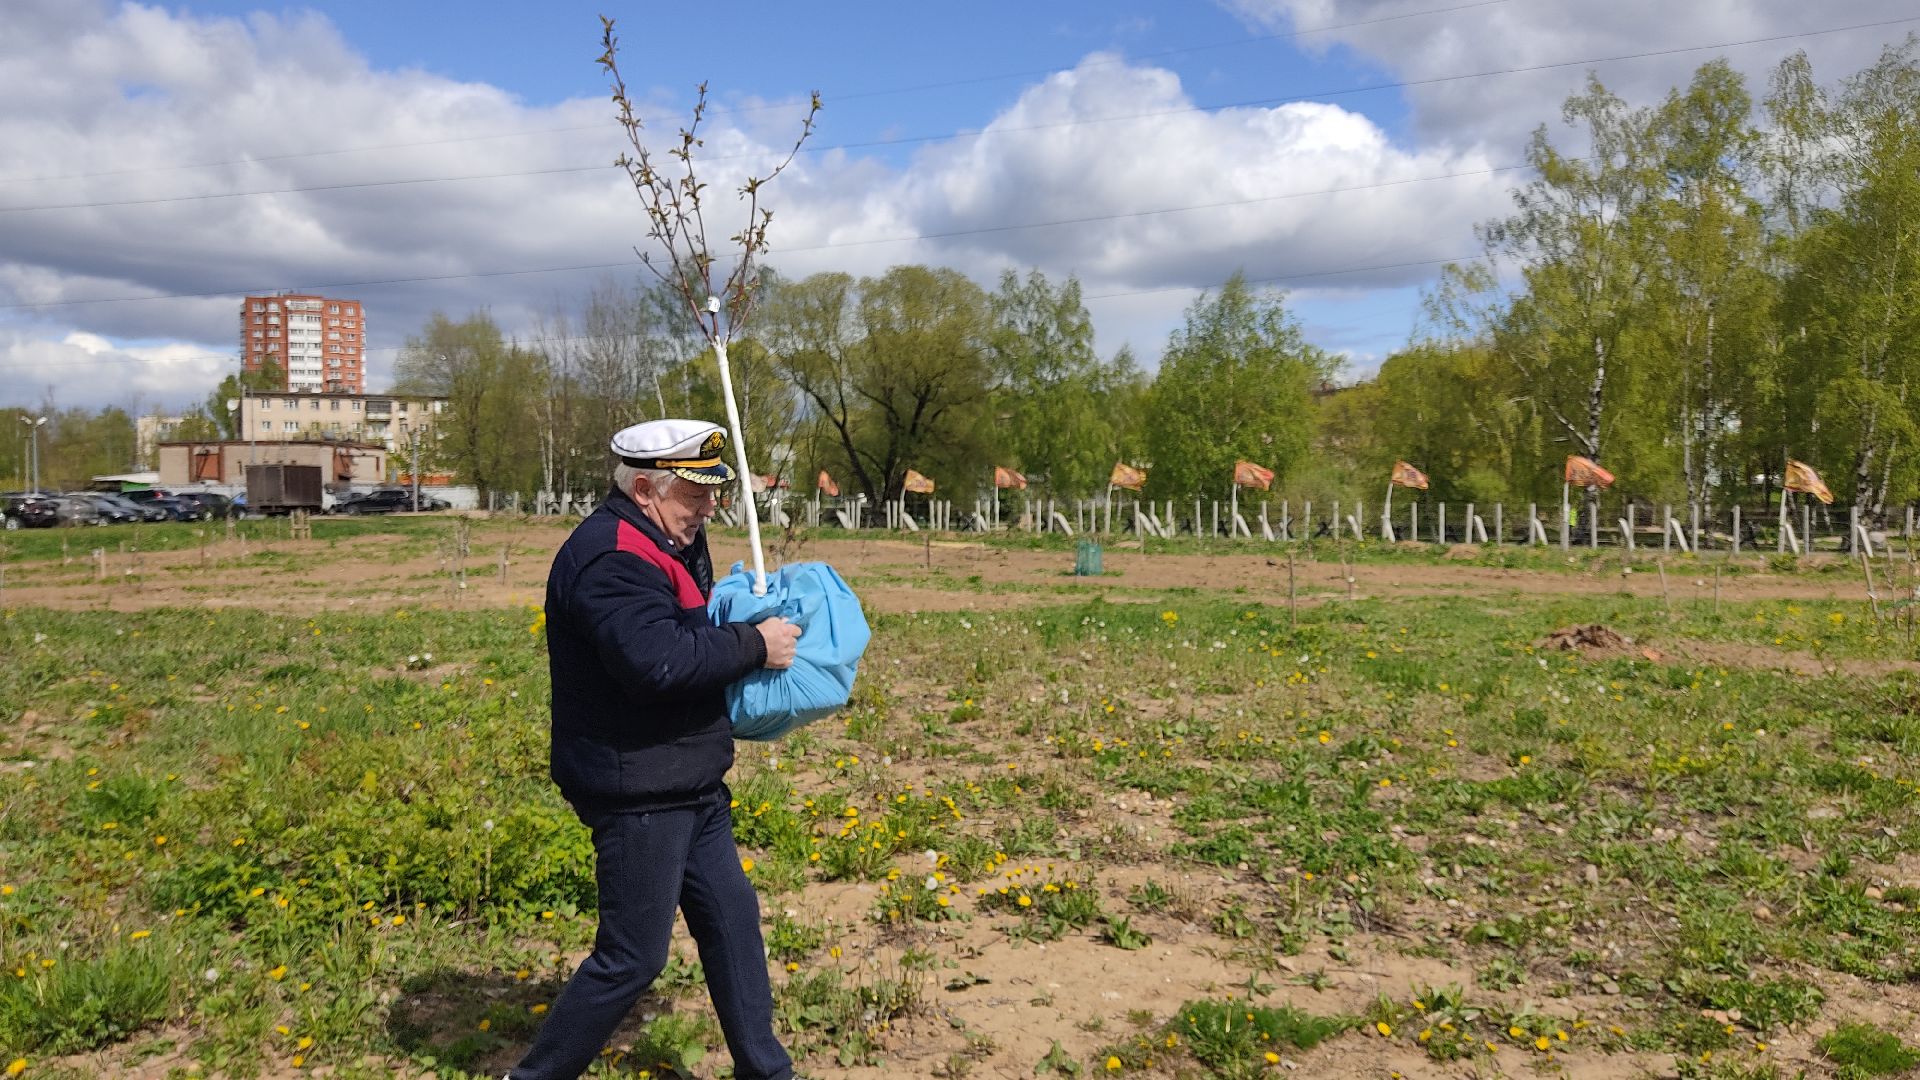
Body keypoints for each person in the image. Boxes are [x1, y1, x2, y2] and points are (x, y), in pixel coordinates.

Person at [510, 419, 803, 1080]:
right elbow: (655, 663)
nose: (708, 507)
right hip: (637, 786)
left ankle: (767, 1072)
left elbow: (685, 630)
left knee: (731, 922)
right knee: (633, 957)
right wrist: (756, 647)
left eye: (711, 493)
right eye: (694, 494)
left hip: (688, 775)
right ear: (643, 488)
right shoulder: (611, 556)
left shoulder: (667, 537)